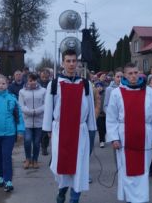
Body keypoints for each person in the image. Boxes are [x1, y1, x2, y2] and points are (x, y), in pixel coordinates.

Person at [42, 50, 97, 203]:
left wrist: (92, 128)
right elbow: (49, 108)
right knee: (63, 165)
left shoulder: (85, 84)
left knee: (79, 168)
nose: (72, 64)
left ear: (78, 63)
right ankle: (61, 192)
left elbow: (91, 107)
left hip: (80, 131)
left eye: (74, 61)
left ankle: (74, 199)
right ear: (63, 63)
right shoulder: (54, 84)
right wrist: (48, 130)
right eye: (68, 61)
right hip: (61, 130)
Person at [106, 62, 152, 203]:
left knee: (143, 169)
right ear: (124, 75)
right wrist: (114, 138)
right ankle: (130, 198)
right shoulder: (116, 93)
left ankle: (141, 199)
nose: (133, 76)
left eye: (135, 73)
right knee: (127, 169)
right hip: (124, 137)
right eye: (130, 73)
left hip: (145, 136)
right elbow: (111, 118)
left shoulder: (149, 92)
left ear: (139, 73)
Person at [19, 73, 46, 169]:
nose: (32, 82)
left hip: (39, 121)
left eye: (34, 80)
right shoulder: (22, 92)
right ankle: (27, 159)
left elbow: (45, 104)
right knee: (27, 140)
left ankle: (35, 160)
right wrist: (30, 112)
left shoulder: (43, 91)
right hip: (27, 121)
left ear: (37, 80)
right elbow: (21, 105)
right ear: (27, 81)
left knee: (36, 142)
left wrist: (36, 111)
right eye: (30, 80)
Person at [39, 69, 51, 156]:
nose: (44, 78)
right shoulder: (37, 84)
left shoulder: (51, 84)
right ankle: (40, 143)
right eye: (43, 77)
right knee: (39, 130)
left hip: (48, 108)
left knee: (45, 130)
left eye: (46, 77)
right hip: (39, 108)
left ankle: (44, 147)